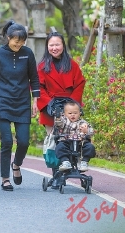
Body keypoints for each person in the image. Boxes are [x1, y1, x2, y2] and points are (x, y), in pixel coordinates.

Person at [0, 20, 40, 191]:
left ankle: (16, 164)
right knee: (7, 141)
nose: (19, 43)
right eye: (16, 40)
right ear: (8, 37)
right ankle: (5, 178)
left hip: (22, 101)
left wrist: (35, 101)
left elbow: (34, 78)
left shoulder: (28, 54)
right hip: (3, 101)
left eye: (22, 41)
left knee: (24, 141)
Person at [36, 32, 86, 186]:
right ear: (47, 47)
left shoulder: (72, 65)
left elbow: (80, 83)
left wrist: (73, 104)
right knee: (55, 140)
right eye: (51, 45)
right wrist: (49, 103)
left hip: (70, 108)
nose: (54, 48)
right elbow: (38, 87)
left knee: (71, 140)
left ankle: (71, 167)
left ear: (63, 46)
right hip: (51, 108)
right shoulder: (42, 67)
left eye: (57, 44)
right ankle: (57, 175)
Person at [54, 101, 96, 172]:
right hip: (66, 142)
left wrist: (86, 131)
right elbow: (59, 124)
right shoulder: (64, 121)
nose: (73, 115)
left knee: (90, 147)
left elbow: (91, 132)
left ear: (80, 113)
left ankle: (84, 162)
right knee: (60, 147)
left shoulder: (83, 122)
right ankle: (65, 162)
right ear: (64, 114)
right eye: (70, 113)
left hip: (80, 143)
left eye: (75, 113)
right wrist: (58, 118)